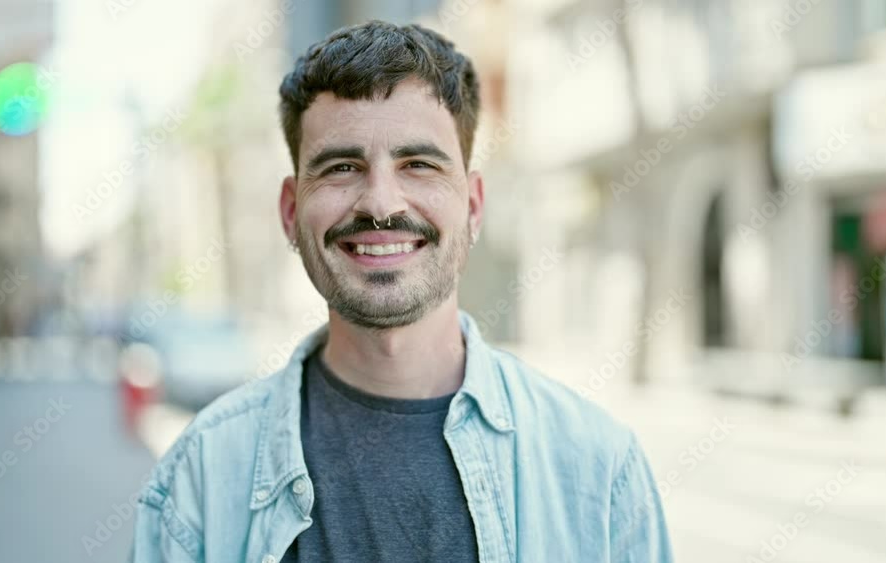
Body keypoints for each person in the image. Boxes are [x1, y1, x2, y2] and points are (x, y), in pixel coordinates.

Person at [130, 20, 673, 563]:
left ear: (474, 206)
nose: (382, 204)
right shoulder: (198, 479)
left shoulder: (600, 472)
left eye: (418, 165)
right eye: (342, 167)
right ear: (292, 212)